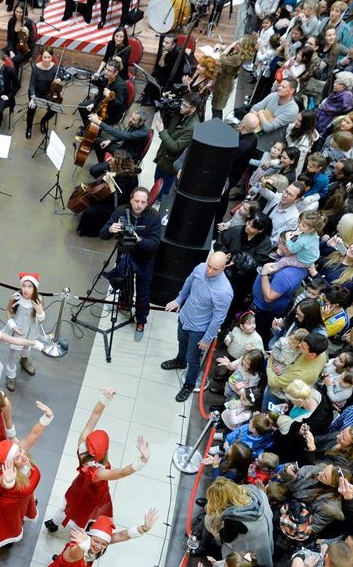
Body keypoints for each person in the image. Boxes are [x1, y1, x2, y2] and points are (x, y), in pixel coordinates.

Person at [45, 389, 149, 531]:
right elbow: (122, 472)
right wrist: (142, 460)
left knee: (67, 508)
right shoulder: (99, 472)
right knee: (84, 515)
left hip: (78, 487)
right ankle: (80, 532)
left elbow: (95, 415)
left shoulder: (81, 446)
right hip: (93, 496)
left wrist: (104, 400)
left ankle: (53, 523)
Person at [161, 253, 233, 402]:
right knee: (181, 341)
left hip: (199, 329)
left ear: (224, 268)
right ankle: (180, 361)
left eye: (215, 269)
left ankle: (189, 384)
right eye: (209, 266)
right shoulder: (200, 268)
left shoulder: (224, 291)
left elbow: (218, 317)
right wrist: (179, 299)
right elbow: (188, 281)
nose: (210, 271)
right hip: (185, 317)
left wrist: (207, 338)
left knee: (193, 358)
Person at [0, 401, 52, 547]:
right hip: (10, 506)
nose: (22, 455)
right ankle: (6, 541)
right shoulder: (6, 473)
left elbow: (34, 433)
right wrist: (9, 482)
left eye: (19, 451)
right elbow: (5, 481)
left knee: (23, 512)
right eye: (17, 457)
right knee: (9, 525)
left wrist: (47, 416)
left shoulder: (20, 452)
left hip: (26, 497)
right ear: (10, 464)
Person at [99, 187, 162, 341]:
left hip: (145, 259)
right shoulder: (121, 211)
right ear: (131, 200)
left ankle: (141, 321)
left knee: (143, 290)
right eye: (136, 201)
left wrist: (138, 239)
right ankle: (125, 303)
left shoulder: (153, 216)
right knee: (124, 281)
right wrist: (110, 229)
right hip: (125, 253)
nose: (139, 205)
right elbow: (103, 233)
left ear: (148, 202)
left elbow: (154, 244)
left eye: (143, 202)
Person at [152, 94, 199, 201]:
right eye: (182, 103)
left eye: (185, 106)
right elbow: (169, 125)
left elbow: (176, 147)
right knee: (157, 181)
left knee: (163, 189)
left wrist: (161, 132)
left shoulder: (193, 127)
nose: (181, 107)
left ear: (193, 109)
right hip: (163, 156)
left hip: (171, 163)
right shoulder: (180, 113)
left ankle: (158, 199)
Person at [25, 47, 59, 139]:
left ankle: (43, 121)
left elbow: (61, 78)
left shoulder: (55, 68)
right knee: (31, 108)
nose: (47, 60)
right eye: (45, 57)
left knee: (54, 109)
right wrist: (33, 98)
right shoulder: (36, 68)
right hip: (36, 92)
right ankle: (29, 127)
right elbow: (32, 84)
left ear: (52, 57)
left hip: (48, 93)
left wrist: (60, 79)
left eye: (49, 57)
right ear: (41, 57)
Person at [6, 6, 35, 74]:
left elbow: (32, 42)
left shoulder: (28, 23)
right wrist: (10, 50)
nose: (18, 14)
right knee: (0, 55)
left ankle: (14, 82)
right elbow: (9, 38)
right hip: (14, 46)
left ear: (24, 13)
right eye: (16, 11)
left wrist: (27, 33)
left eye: (20, 12)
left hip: (25, 49)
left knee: (14, 60)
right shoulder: (11, 21)